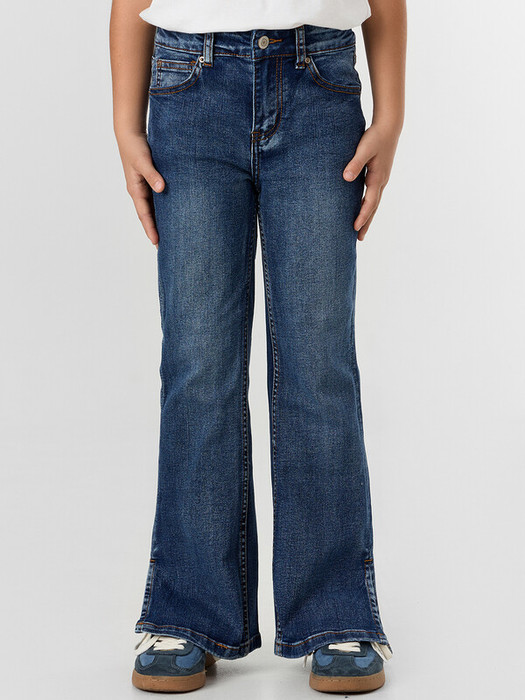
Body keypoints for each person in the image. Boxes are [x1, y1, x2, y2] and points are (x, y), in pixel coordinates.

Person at [110, 0, 406, 693]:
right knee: (197, 365)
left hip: (319, 84)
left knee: (318, 363)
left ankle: (334, 614)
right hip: (188, 88)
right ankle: (189, 612)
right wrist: (125, 124)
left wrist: (390, 116)